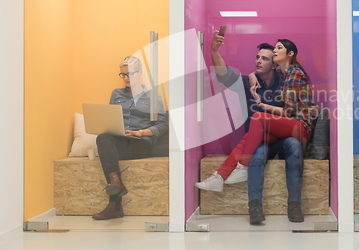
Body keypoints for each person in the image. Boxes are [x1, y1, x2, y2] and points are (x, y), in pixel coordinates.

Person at [196, 36, 316, 223]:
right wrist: (214, 51)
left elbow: (298, 102)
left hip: (285, 136)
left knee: (293, 144)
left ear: (274, 63)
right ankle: (255, 207)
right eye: (257, 57)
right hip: (260, 139)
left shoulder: (286, 78)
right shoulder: (246, 82)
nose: (259, 61)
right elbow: (223, 73)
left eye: (265, 58)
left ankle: (294, 205)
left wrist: (267, 106)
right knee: (256, 153)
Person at [92, 56, 168, 220]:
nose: (126, 78)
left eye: (130, 74)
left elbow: (163, 124)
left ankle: (115, 204)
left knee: (107, 152)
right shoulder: (116, 94)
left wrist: (140, 132)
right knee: (103, 138)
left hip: (140, 142)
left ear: (139, 73)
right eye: (123, 75)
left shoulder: (153, 96)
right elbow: (110, 118)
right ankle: (115, 182)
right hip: (120, 139)